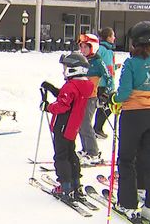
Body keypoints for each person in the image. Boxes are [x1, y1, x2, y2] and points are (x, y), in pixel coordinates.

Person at [109, 21, 150, 224]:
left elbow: (124, 93)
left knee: (127, 159)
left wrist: (114, 100)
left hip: (134, 115)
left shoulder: (132, 63)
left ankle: (128, 203)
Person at [42, 52, 93, 201]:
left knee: (61, 155)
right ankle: (76, 183)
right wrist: (52, 88)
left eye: (66, 67)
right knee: (71, 153)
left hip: (63, 125)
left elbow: (62, 105)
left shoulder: (71, 86)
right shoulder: (83, 85)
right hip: (72, 126)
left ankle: (65, 186)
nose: (63, 70)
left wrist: (47, 107)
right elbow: (67, 97)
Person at [77, 33, 111, 165]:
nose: (83, 50)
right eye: (81, 47)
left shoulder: (97, 62)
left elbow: (109, 78)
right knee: (79, 124)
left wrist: (105, 95)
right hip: (80, 97)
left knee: (86, 124)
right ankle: (85, 149)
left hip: (90, 98)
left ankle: (93, 152)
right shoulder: (81, 60)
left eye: (86, 47)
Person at [93, 27, 117, 139]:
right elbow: (107, 70)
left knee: (101, 107)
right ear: (108, 37)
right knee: (108, 107)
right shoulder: (107, 51)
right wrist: (110, 85)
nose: (114, 38)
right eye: (112, 36)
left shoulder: (100, 49)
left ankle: (97, 128)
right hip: (105, 84)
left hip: (99, 83)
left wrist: (115, 66)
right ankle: (98, 128)